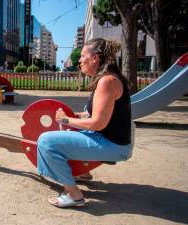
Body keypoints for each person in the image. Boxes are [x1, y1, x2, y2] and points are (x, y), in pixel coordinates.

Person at [37, 38, 133, 208]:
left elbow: (97, 124)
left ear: (95, 58)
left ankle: (74, 195)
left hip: (113, 145)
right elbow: (94, 115)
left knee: (46, 141)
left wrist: (66, 119)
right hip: (110, 140)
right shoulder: (106, 79)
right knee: (66, 134)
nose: (79, 60)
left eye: (82, 56)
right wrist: (74, 116)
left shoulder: (107, 81)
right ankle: (83, 172)